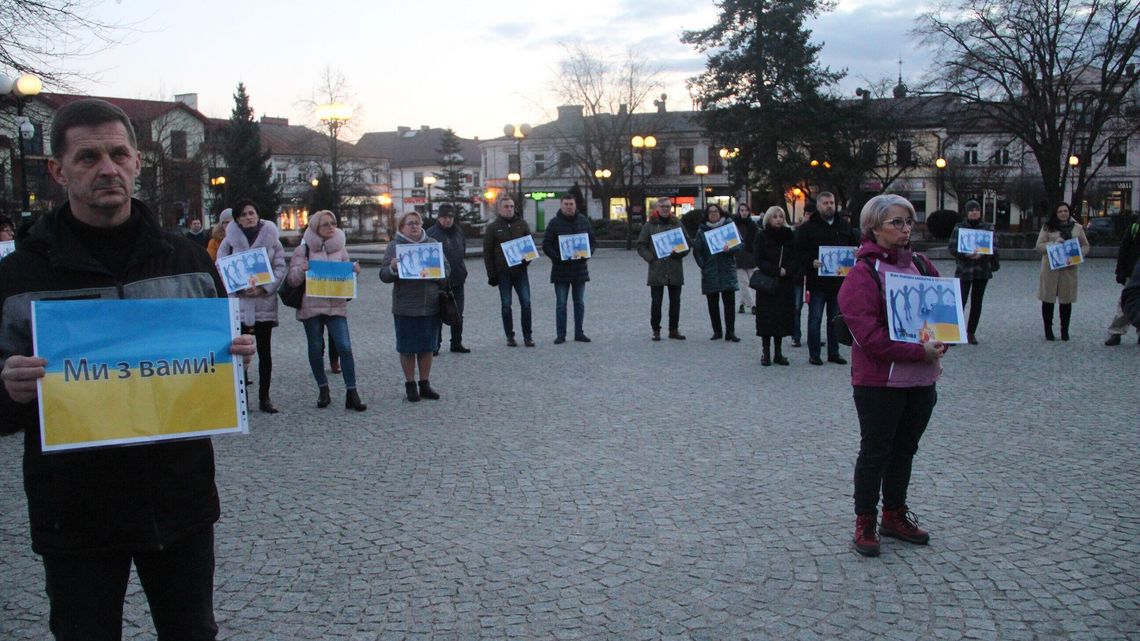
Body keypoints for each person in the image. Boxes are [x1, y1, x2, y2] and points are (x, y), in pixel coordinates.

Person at [0, 98, 255, 641]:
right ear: (58, 170)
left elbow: (211, 371)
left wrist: (232, 357)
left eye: (118, 154)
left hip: (179, 500)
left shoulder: (187, 260)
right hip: (75, 512)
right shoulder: (18, 275)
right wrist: (9, 388)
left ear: (139, 162)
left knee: (191, 632)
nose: (107, 168)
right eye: (88, 157)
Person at [838, 194, 947, 558]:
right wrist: (919, 351)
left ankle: (894, 513)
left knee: (905, 450)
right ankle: (865, 519)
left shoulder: (922, 265)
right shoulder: (863, 274)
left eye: (909, 222)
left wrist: (945, 340)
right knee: (875, 452)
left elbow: (942, 315)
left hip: (920, 379)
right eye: (896, 222)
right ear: (874, 228)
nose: (905, 229)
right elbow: (868, 338)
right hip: (878, 382)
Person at [285, 210, 366, 411]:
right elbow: (292, 279)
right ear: (315, 228)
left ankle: (352, 391)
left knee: (345, 347)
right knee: (315, 347)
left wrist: (354, 272)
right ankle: (323, 388)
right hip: (311, 306)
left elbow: (346, 277)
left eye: (333, 223)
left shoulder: (340, 248)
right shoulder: (302, 250)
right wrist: (302, 271)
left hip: (335, 305)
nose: (331, 227)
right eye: (326, 224)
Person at [217, 198, 287, 413]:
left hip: (263, 303)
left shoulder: (272, 238)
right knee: (240, 352)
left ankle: (265, 397)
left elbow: (280, 267)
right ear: (237, 219)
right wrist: (236, 286)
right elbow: (220, 266)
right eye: (244, 214)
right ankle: (242, 396)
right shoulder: (229, 241)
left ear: (257, 215)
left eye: (251, 213)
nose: (248, 217)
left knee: (265, 353)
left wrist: (264, 288)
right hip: (239, 304)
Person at [380, 211, 448, 401]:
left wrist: (436, 273)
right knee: (407, 348)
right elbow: (383, 275)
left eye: (417, 223)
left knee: (427, 347)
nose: (414, 226)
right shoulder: (395, 246)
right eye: (409, 223)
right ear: (401, 227)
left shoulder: (432, 245)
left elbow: (447, 270)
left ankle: (424, 382)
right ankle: (410, 383)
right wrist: (393, 267)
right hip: (405, 306)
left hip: (429, 305)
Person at [796, 191, 859, 365]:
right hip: (818, 281)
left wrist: (856, 253)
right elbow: (799, 251)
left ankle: (834, 352)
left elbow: (855, 245)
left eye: (831, 202)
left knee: (835, 319)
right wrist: (811, 261)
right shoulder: (808, 228)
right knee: (815, 318)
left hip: (839, 282)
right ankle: (814, 353)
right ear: (818, 206)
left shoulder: (844, 226)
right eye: (825, 203)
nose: (829, 206)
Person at [542, 193, 597, 344]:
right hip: (561, 270)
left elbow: (592, 241)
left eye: (571, 204)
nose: (568, 206)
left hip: (579, 269)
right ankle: (561, 334)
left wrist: (587, 254)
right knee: (561, 304)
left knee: (579, 303)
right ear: (561, 205)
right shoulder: (554, 223)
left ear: (575, 205)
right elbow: (546, 245)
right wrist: (557, 257)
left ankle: (579, 332)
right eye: (566, 204)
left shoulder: (583, 221)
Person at [947, 200, 1000, 345]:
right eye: (971, 210)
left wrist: (982, 254)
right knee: (960, 301)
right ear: (967, 212)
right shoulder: (959, 228)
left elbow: (994, 247)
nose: (974, 212)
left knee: (977, 302)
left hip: (982, 270)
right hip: (964, 270)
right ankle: (954, 333)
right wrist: (965, 254)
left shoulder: (988, 228)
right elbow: (951, 247)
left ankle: (971, 333)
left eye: (976, 209)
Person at [483, 198, 535, 347]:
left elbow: (529, 245)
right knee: (506, 305)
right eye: (506, 206)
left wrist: (527, 259)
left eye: (512, 206)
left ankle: (528, 336)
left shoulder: (522, 224)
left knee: (526, 303)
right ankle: (509, 336)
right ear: (500, 209)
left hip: (520, 271)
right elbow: (488, 252)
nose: (510, 209)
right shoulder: (493, 228)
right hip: (503, 272)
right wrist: (491, 275)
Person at [636, 196, 688, 341]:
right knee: (656, 302)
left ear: (671, 208)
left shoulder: (677, 224)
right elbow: (641, 245)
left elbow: (687, 243)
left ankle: (673, 329)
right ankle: (656, 329)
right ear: (657, 208)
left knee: (675, 302)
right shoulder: (649, 225)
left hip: (675, 268)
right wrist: (650, 258)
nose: (665, 209)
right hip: (657, 268)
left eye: (667, 206)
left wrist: (680, 252)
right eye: (662, 206)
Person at [1036, 202, 1089, 341]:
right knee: (1048, 300)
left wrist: (1079, 254)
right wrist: (1053, 244)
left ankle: (1064, 331)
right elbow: (1039, 246)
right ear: (1056, 213)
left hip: (1069, 269)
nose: (1063, 213)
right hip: (1050, 269)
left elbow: (1085, 245)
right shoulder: (1048, 227)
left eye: (1065, 211)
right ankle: (1048, 330)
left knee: (1066, 301)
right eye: (1060, 211)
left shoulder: (1077, 227)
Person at [753, 206, 797, 366]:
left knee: (781, 318)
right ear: (768, 219)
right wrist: (776, 270)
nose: (778, 219)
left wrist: (787, 270)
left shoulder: (789, 236)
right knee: (767, 319)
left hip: (785, 283)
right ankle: (766, 352)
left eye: (781, 216)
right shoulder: (762, 236)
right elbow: (759, 258)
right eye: (775, 216)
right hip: (768, 282)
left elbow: (795, 256)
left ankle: (778, 353)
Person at [692, 203, 743, 342]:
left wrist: (731, 249)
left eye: (716, 211)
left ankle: (730, 332)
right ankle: (717, 331)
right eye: (710, 212)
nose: (714, 214)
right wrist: (704, 266)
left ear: (720, 213)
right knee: (713, 304)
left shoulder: (729, 227)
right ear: (707, 215)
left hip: (727, 269)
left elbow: (740, 245)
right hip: (711, 271)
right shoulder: (702, 231)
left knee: (729, 304)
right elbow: (697, 251)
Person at [426, 203, 470, 354]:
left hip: (458, 278)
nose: (447, 220)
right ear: (439, 217)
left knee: (458, 312)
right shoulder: (430, 234)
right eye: (444, 217)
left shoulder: (458, 232)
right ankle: (435, 345)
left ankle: (456, 343)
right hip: (439, 281)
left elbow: (462, 251)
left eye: (450, 217)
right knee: (437, 314)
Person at [1104, 215, 1140, 345]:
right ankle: (1116, 332)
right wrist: (1120, 272)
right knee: (1124, 303)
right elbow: (1124, 251)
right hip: (1133, 274)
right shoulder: (1134, 228)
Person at [733, 202, 759, 314]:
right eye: (741, 210)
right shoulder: (734, 225)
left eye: (745, 210)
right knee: (743, 282)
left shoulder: (753, 225)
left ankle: (741, 303)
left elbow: (757, 242)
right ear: (739, 212)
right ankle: (753, 305)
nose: (743, 212)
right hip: (738, 256)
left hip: (750, 256)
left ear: (748, 212)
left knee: (751, 282)